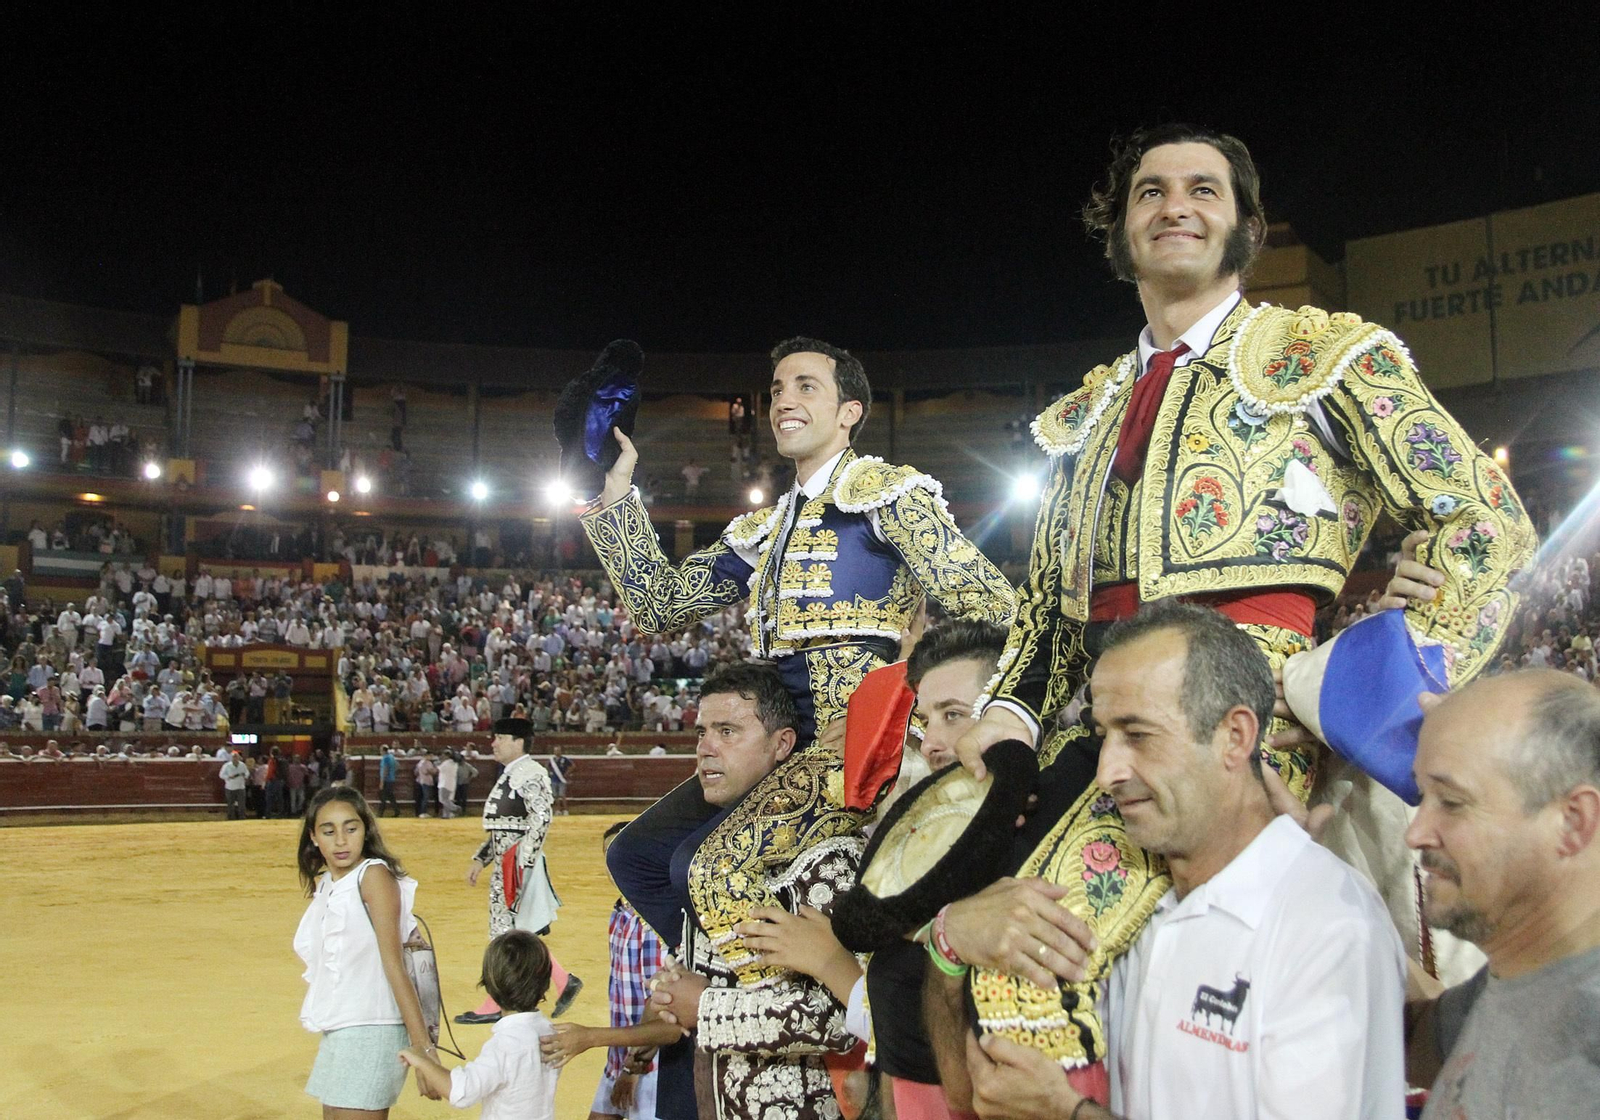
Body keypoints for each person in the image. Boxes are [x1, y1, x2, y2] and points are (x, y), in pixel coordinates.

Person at [951, 124, 1536, 1080]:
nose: (1174, 205)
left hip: (1231, 721)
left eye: (1203, 190)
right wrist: (1004, 717)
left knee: (1024, 973)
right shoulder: (1089, 411)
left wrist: (1363, 676)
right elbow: (1049, 616)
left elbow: (1484, 520)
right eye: (1150, 191)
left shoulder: (1324, 356)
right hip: (1092, 721)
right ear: (1120, 227)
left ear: (1245, 228)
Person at [937, 603, 1405, 1119]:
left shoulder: (1326, 924)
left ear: (1236, 736)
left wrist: (1068, 1115)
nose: (1108, 771)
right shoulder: (1123, 901)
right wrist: (948, 943)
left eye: (1138, 736)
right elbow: (970, 1098)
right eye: (1103, 737)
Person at [644, 663, 865, 1120]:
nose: (706, 749)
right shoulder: (710, 849)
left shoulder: (827, 853)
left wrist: (704, 1008)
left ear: (783, 745)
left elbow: (847, 1017)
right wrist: (672, 989)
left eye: (727, 731)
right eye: (702, 732)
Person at [1402, 670, 1600, 1118]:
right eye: (1421, 795)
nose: (1415, 834)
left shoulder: (1585, 1042)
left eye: (1451, 802)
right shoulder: (1521, 975)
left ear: (1573, 822)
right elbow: (1413, 1040)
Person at [293, 786, 434, 1116]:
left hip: (374, 1027)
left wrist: (424, 1051)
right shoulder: (328, 884)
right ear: (313, 837)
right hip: (342, 1028)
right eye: (329, 831)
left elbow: (395, 966)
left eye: (351, 828)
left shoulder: (373, 876)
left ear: (365, 830)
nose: (341, 841)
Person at [458, 717, 582, 1027]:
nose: (494, 743)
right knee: (519, 932)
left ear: (518, 742)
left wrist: (522, 863)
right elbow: (505, 830)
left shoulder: (530, 772)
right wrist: (480, 859)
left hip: (517, 864)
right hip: (508, 862)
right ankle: (563, 980)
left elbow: (542, 818)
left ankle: (494, 1002)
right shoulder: (514, 773)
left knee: (508, 933)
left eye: (499, 737)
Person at [541, 821, 669, 1120]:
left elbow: (663, 1008)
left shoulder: (659, 921)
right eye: (607, 856)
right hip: (619, 1056)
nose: (613, 865)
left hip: (653, 1065)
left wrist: (632, 1069)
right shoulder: (620, 914)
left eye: (620, 854)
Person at [401, 930, 560, 1120]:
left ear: (489, 986)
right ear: (545, 984)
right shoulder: (549, 1031)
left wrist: (421, 1060)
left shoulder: (505, 1045)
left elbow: (462, 1092)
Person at [220, 750, 250, 820]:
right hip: (230, 787)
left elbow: (247, 773)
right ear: (231, 758)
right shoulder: (226, 766)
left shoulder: (242, 765)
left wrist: (245, 776)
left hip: (240, 786)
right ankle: (231, 817)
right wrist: (229, 777)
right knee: (230, 804)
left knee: (241, 804)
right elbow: (221, 775)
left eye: (236, 757)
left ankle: (242, 817)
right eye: (234, 757)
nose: (235, 758)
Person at [547, 744, 573, 816]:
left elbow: (572, 766)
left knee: (562, 795)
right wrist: (550, 773)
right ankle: (558, 810)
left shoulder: (564, 759)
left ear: (561, 751)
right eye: (555, 751)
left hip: (561, 780)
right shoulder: (552, 760)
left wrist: (566, 774)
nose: (557, 752)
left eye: (558, 750)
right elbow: (548, 767)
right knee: (556, 796)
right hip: (554, 779)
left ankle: (565, 810)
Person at [378, 746, 400, 817]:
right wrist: (393, 773)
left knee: (383, 797)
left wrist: (382, 781)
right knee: (391, 796)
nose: (380, 752)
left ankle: (380, 813)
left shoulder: (385, 758)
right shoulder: (391, 757)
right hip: (391, 779)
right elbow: (397, 766)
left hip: (386, 780)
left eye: (381, 750)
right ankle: (397, 811)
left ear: (383, 751)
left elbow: (385, 769)